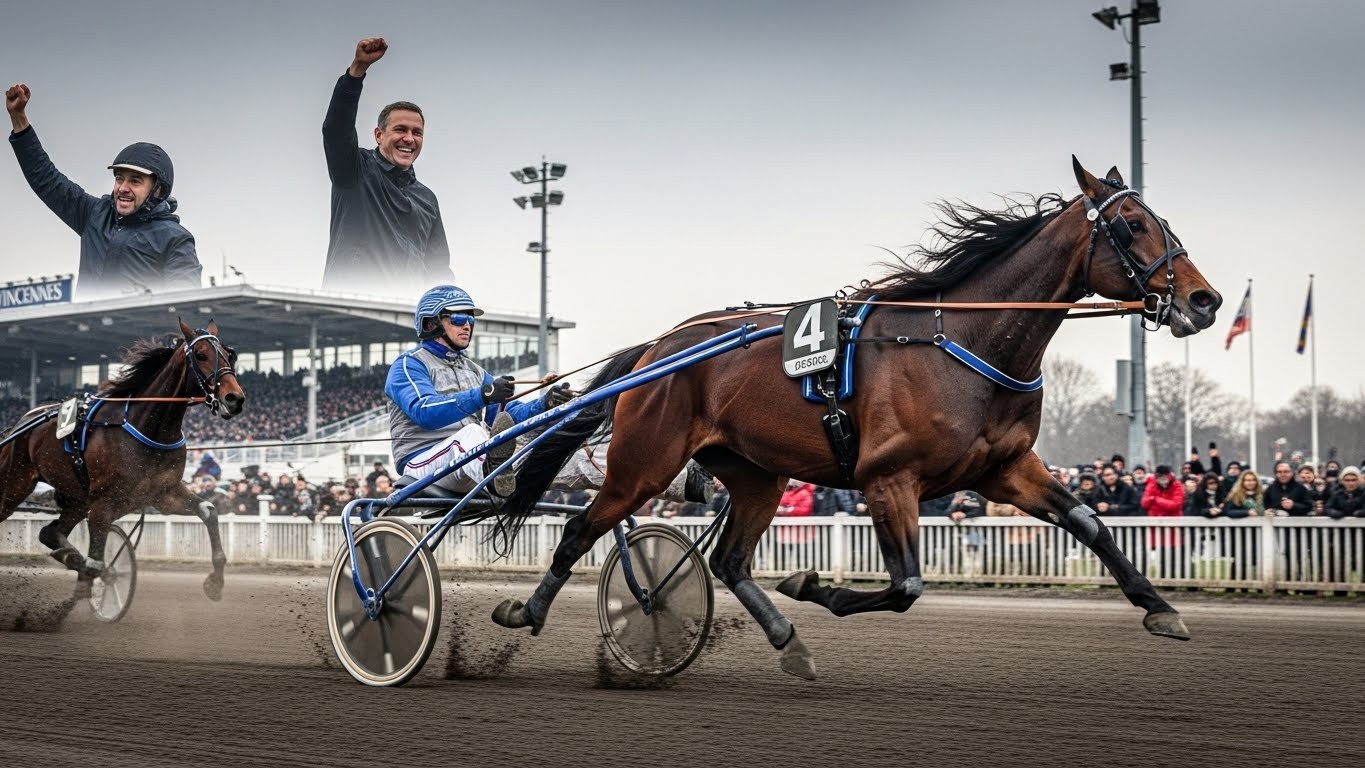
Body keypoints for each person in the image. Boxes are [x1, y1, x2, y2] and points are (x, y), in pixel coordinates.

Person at [6, 83, 201, 299]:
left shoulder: (175, 239)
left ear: (158, 190)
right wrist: (19, 118)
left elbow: (185, 305)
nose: (123, 188)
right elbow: (46, 179)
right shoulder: (94, 214)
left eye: (135, 181)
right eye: (119, 178)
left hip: (141, 333)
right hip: (89, 332)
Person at [386, 285, 558, 495]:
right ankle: (496, 478)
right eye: (458, 319)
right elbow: (425, 412)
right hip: (421, 464)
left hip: (468, 461)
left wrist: (546, 404)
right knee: (473, 433)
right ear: (431, 323)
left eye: (471, 319)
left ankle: (603, 485)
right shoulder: (409, 364)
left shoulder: (475, 371)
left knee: (547, 444)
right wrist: (481, 395)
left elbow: (508, 415)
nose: (467, 325)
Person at [322, 37, 452, 293]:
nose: (409, 139)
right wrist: (356, 72)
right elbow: (336, 130)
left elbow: (438, 270)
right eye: (400, 129)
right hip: (351, 311)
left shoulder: (427, 199)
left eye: (417, 132)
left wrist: (448, 310)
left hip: (405, 316)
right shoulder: (355, 170)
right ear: (379, 135)